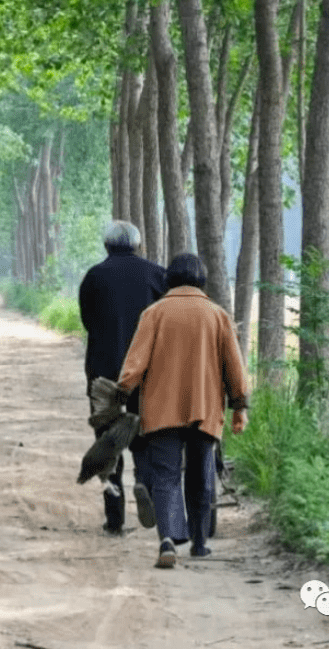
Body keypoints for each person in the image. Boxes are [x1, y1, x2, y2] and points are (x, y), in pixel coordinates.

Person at [117, 253, 249, 567]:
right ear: (202, 279)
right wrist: (239, 405)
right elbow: (235, 367)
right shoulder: (218, 315)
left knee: (165, 475)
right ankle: (199, 544)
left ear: (169, 279)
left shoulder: (154, 313)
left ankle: (168, 540)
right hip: (205, 407)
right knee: (202, 475)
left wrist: (121, 392)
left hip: (161, 409)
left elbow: (134, 365)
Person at [78, 220, 166, 535]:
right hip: (147, 374)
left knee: (108, 444)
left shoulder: (93, 277)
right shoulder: (157, 275)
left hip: (103, 375)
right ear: (138, 244)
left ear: (106, 246)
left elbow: (88, 321)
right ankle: (145, 484)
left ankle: (114, 518)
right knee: (144, 438)